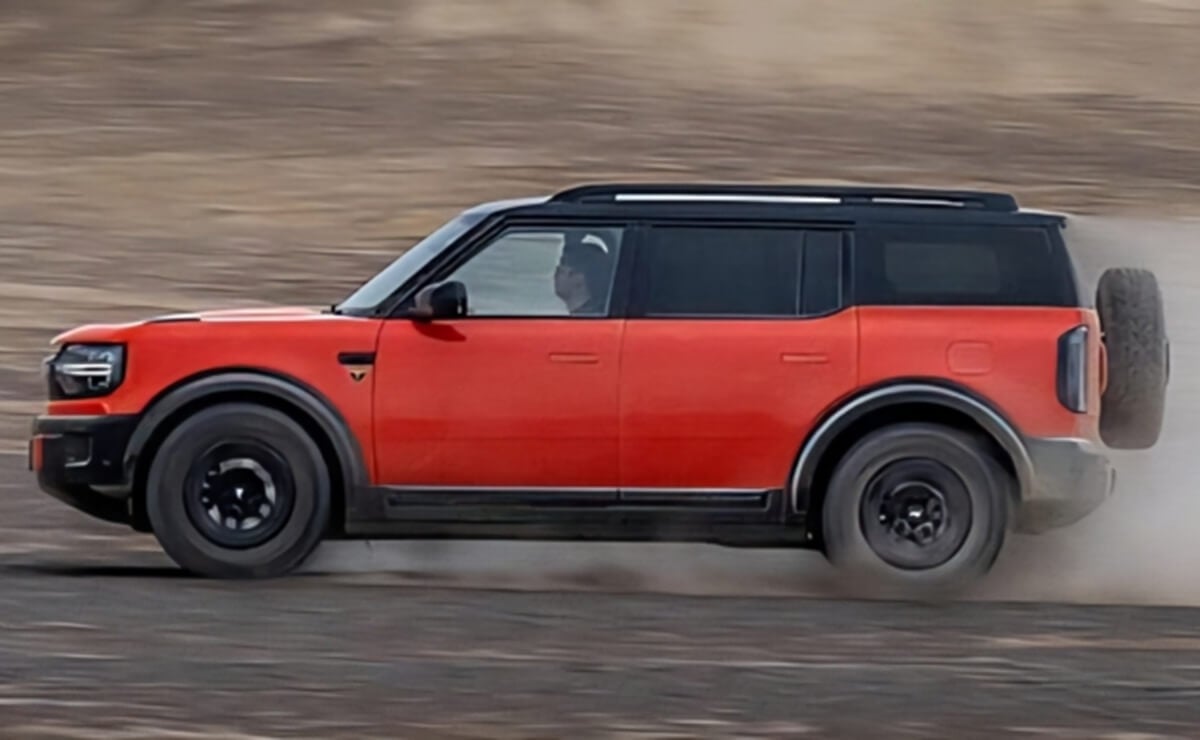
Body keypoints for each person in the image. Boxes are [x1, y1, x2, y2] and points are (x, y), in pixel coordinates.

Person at [554, 232, 612, 315]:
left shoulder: (591, 319)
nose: (555, 275)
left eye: (561, 271)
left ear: (579, 278)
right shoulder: (592, 314)